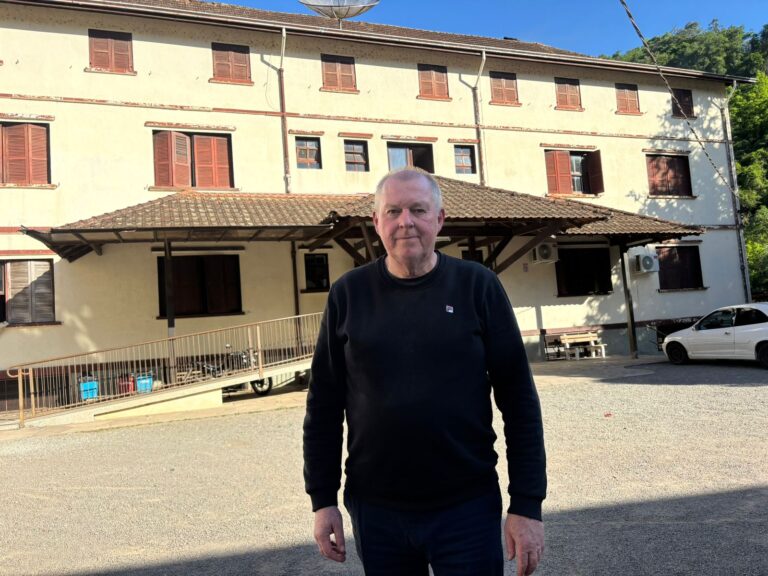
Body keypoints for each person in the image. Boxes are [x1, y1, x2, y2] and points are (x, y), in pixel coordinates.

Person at [303, 168, 546, 576]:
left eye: (418, 209)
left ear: (439, 219)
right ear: (376, 221)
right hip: (377, 511)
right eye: (393, 211)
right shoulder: (349, 294)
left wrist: (526, 504)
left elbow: (519, 401)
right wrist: (323, 498)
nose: (406, 222)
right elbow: (323, 406)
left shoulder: (478, 287)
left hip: (467, 507)